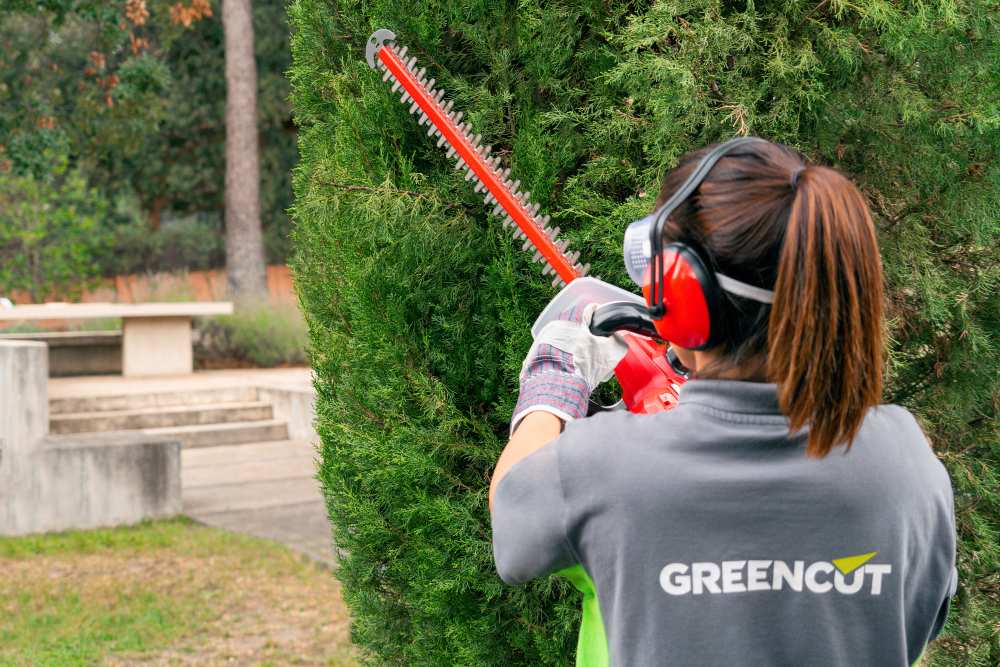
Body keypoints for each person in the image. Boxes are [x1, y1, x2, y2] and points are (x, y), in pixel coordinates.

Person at [489, 138, 957, 666]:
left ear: (685, 300)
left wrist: (556, 374)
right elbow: (919, 619)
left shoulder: (606, 470)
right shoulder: (908, 468)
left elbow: (514, 525)